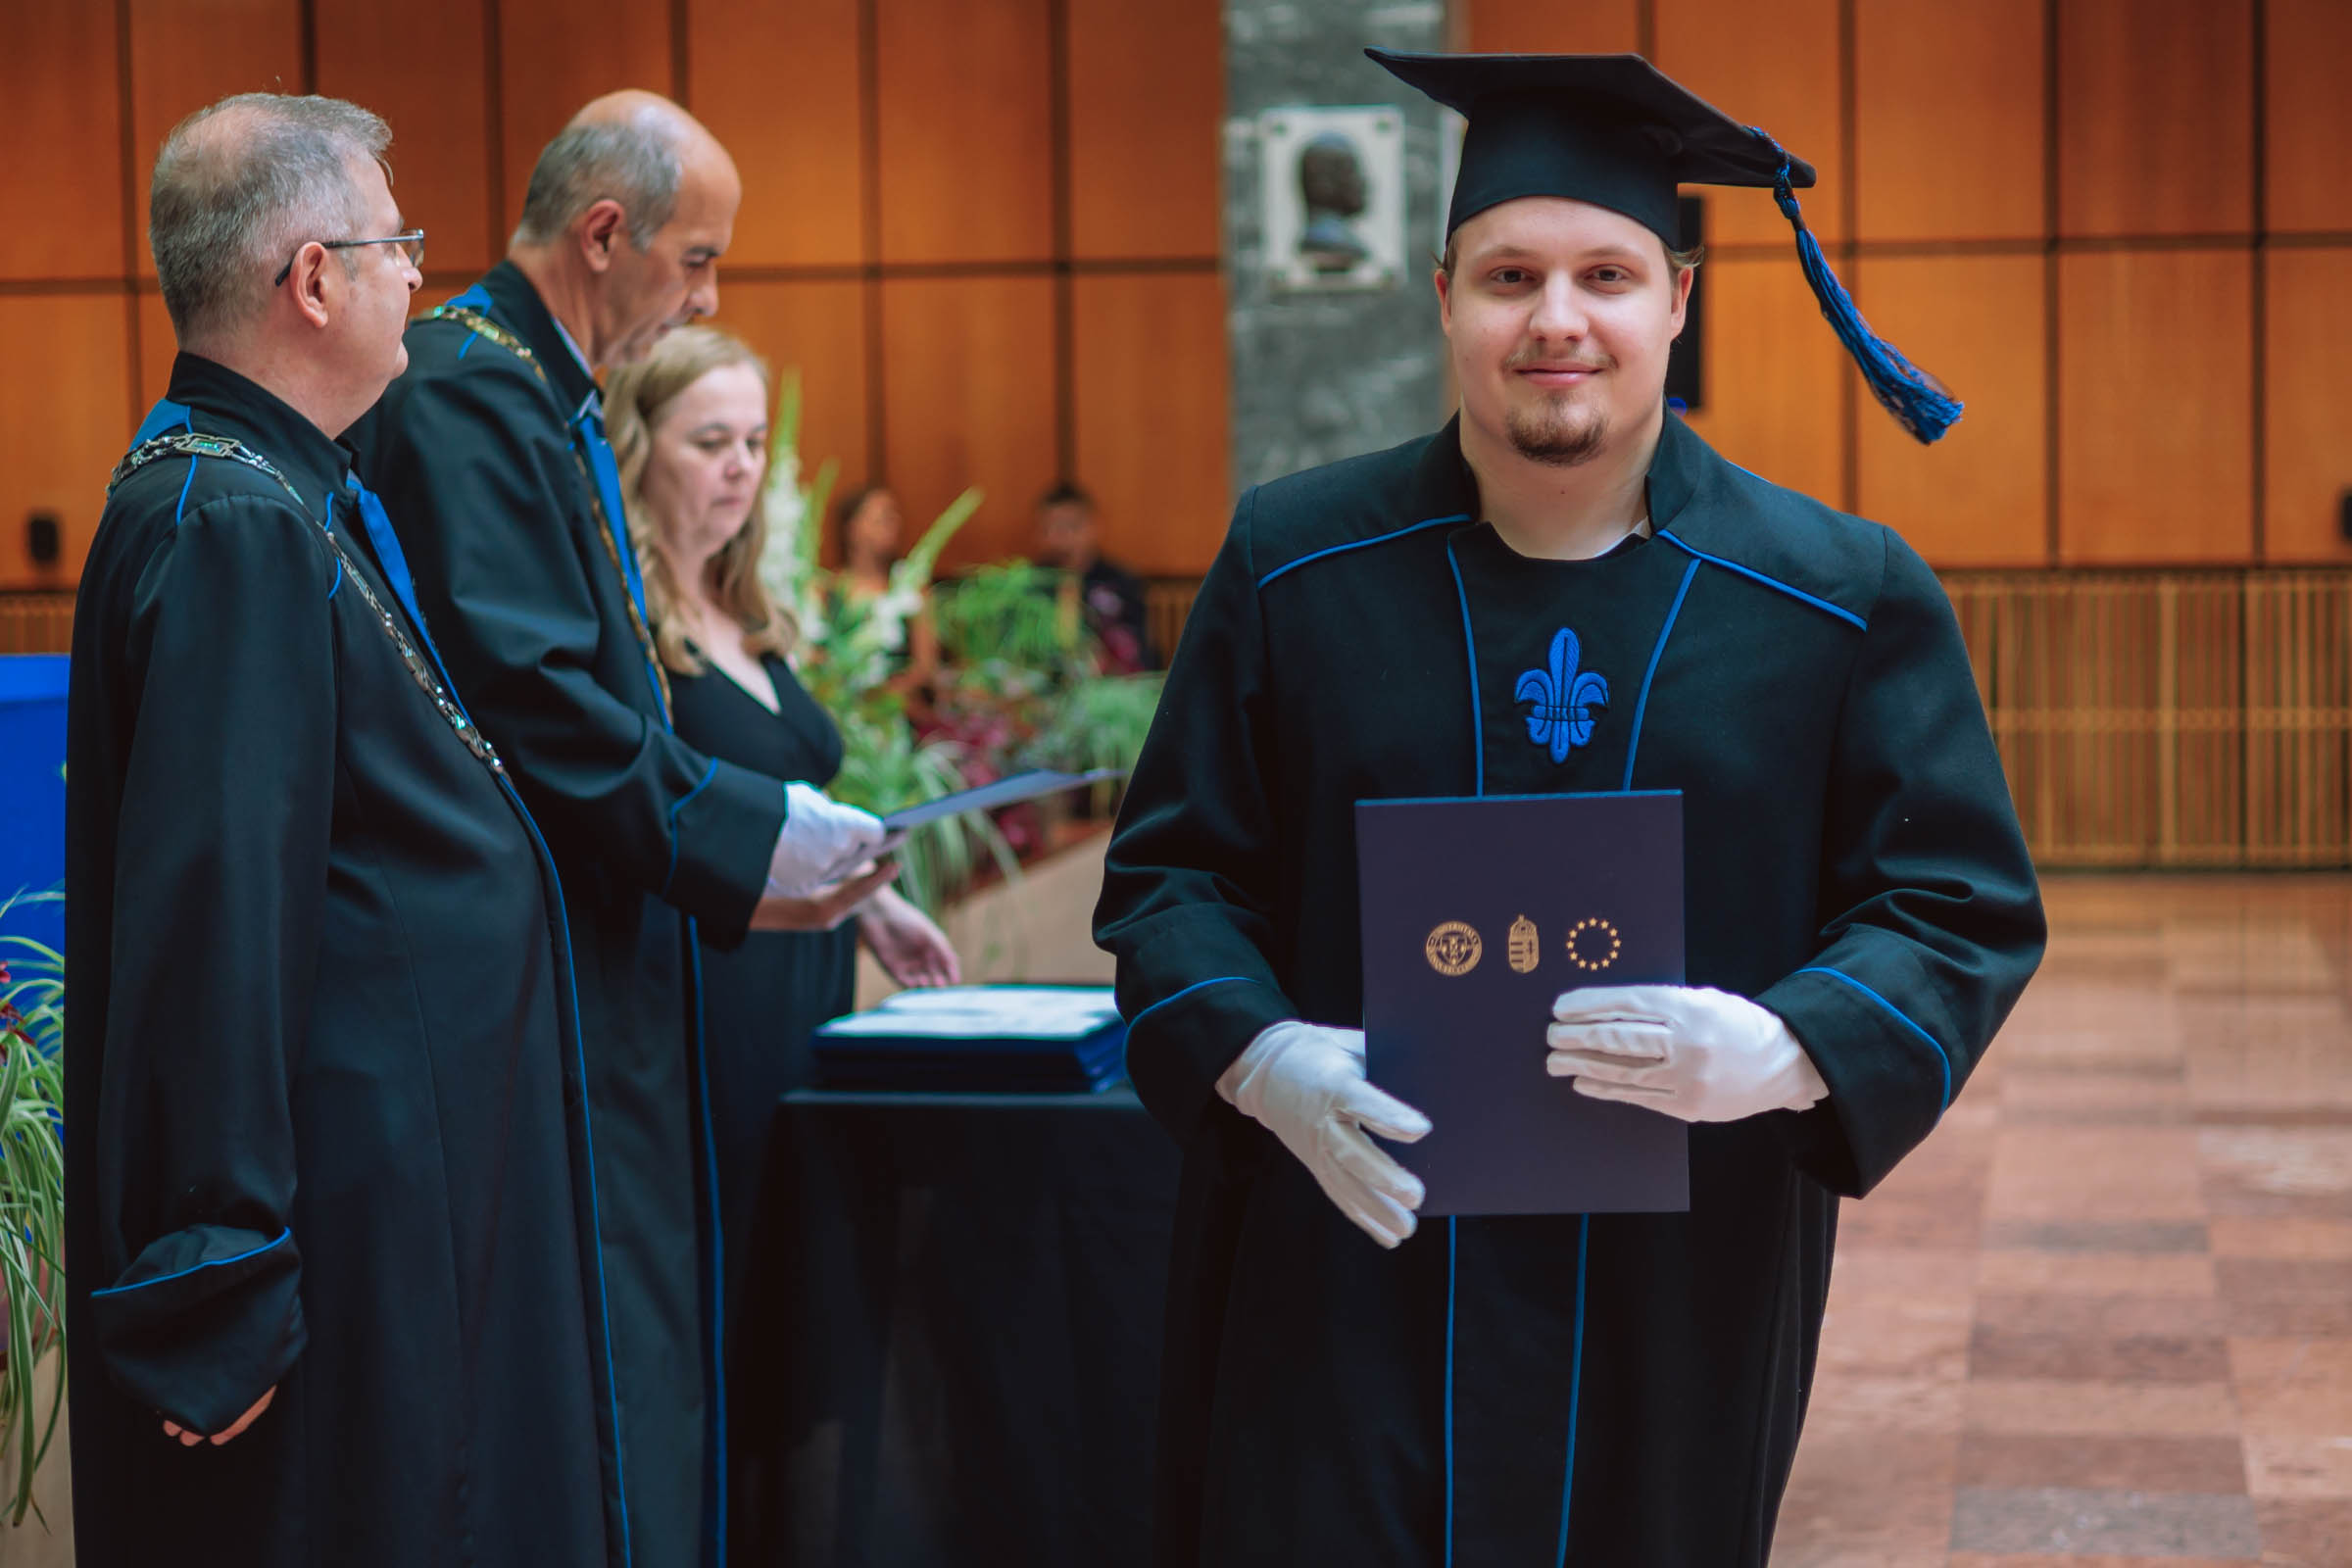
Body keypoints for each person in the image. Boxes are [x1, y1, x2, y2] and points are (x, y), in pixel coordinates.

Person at [1094, 50, 2045, 1566]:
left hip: (1681, 1283)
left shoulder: (1834, 598)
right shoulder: (1295, 569)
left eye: (1606, 274)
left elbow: (1955, 908)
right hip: (1351, 1263)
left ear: (1678, 300)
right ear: (1443, 298)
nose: (1556, 320)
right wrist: (1263, 1057)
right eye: (1508, 276)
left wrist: (1793, 1044)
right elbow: (1174, 879)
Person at [64, 93, 610, 1564]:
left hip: (397, 1197)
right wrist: (215, 1265)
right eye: (396, 242)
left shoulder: (271, 486)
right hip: (346, 1239)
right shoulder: (233, 519)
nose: (420, 274)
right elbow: (215, 918)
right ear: (313, 279)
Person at [351, 92, 893, 1568]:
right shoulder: (474, 389)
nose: (707, 298)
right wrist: (744, 836)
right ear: (606, 234)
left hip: (615, 949)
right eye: (697, 260)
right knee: (609, 1383)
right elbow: (537, 696)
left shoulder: (540, 388)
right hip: (545, 974)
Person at [605, 323, 961, 1545]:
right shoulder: (625, 622)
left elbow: (790, 807)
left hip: (804, 980)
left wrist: (878, 902)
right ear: (639, 447)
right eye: (711, 440)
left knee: (795, 1298)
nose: (741, 467)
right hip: (710, 999)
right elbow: (647, 826)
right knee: (729, 1302)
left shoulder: (745, 607)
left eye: (755, 442)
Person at [831, 482, 942, 697]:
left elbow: (925, 666)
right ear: (852, 528)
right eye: (882, 519)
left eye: (894, 517)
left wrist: (883, 697)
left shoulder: (910, 587)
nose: (893, 525)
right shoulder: (829, 589)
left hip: (896, 703)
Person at [1036, 480, 1157, 672]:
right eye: (1049, 529)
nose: (1061, 539)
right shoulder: (1032, 584)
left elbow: (1143, 652)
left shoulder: (1120, 582)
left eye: (1072, 527)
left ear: (1093, 527)